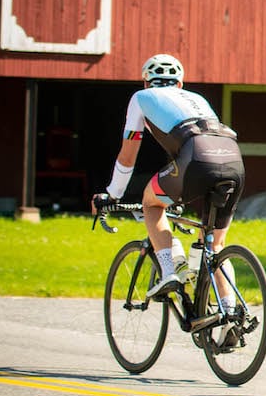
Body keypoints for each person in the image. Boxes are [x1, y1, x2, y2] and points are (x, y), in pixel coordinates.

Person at [92, 54, 245, 309]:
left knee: (151, 203)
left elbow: (128, 155)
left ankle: (169, 271)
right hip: (233, 160)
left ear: (146, 83)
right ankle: (230, 313)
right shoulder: (197, 98)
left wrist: (112, 194)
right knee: (215, 247)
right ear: (180, 84)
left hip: (196, 159)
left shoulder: (141, 98)